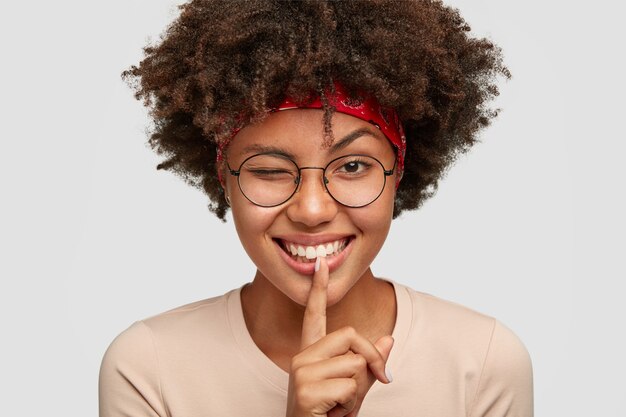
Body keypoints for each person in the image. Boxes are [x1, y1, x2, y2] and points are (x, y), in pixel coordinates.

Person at [99, 1, 533, 416]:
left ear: (397, 174)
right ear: (224, 180)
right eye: (269, 170)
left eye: (352, 165)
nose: (311, 209)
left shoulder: (483, 362)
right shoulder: (148, 368)